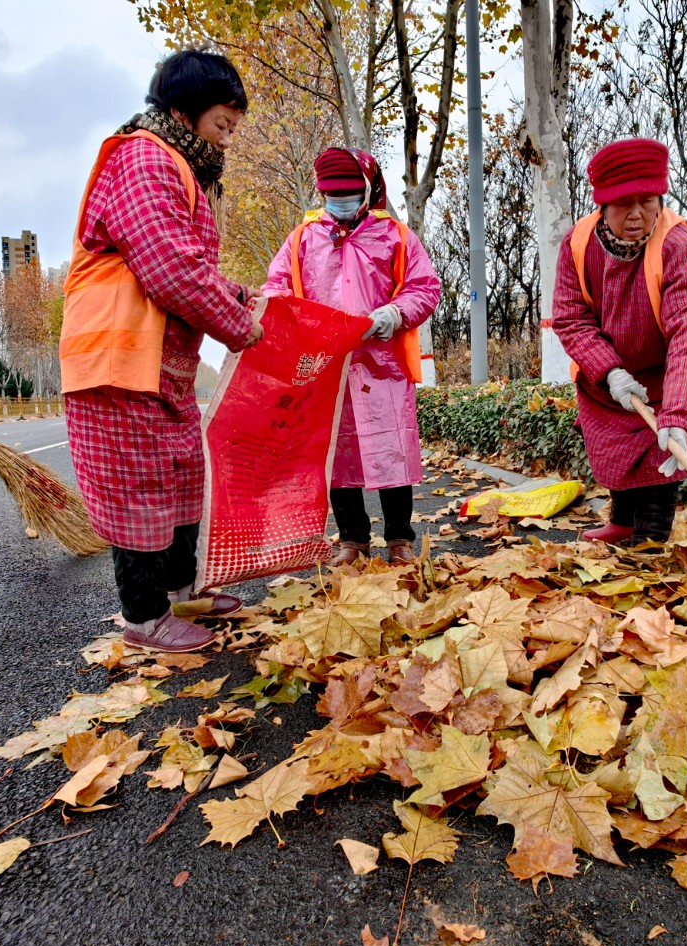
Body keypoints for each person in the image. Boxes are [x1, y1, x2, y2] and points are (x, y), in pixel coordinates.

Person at [60, 50, 264, 652]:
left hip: (161, 363)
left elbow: (193, 264)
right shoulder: (145, 158)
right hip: (120, 359)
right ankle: (144, 616)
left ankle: (184, 591)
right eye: (222, 126)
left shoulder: (183, 166)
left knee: (181, 480)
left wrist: (238, 295)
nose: (227, 141)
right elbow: (170, 267)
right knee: (141, 489)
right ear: (183, 109)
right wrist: (240, 326)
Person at [265, 148, 441, 564]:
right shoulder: (301, 241)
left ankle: (400, 538)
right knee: (336, 456)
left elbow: (424, 286)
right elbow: (277, 289)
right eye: (332, 193)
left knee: (390, 450)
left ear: (367, 188)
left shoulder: (395, 235)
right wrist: (300, 322)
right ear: (320, 192)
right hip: (326, 367)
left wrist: (395, 312)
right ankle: (352, 539)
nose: (340, 200)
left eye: (348, 192)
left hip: (384, 364)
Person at [551, 138, 687, 546]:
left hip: (668, 376)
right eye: (622, 204)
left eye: (646, 201)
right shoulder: (578, 243)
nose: (636, 215)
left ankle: (649, 543)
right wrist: (609, 370)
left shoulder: (677, 243)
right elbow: (571, 317)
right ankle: (623, 523)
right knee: (615, 452)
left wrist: (679, 417)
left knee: (662, 453)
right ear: (602, 205)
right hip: (607, 373)